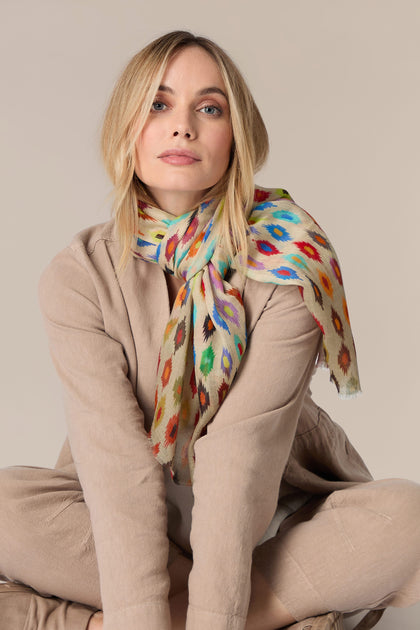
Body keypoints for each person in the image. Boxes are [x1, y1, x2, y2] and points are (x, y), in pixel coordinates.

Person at [0, 30, 419, 630]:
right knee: (5, 506)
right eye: (159, 104)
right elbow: (115, 460)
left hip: (264, 510)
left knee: (408, 519)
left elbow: (240, 454)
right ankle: (259, 615)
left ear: (236, 136)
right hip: (121, 512)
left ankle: (105, 620)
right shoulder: (79, 275)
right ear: (127, 130)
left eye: (210, 108)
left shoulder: (289, 261)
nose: (183, 127)